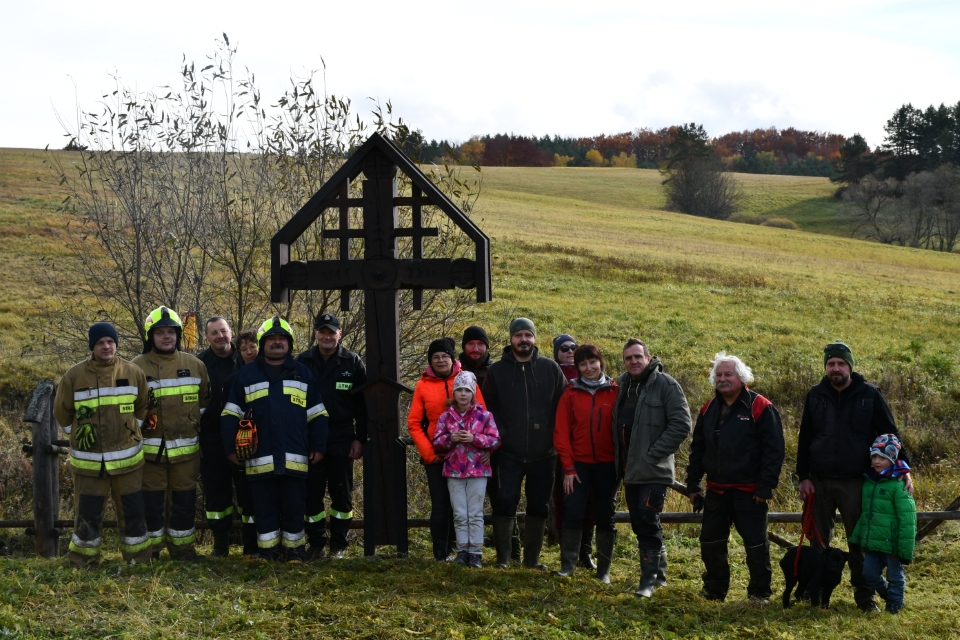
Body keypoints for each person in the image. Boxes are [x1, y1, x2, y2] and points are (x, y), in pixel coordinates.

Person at [796, 340, 913, 613]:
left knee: (859, 542)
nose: (835, 368)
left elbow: (890, 434)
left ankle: (865, 596)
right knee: (818, 541)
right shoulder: (815, 395)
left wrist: (904, 468)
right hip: (819, 480)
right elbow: (805, 437)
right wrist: (803, 476)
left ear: (850, 366)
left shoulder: (869, 394)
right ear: (825, 367)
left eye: (840, 363)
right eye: (830, 364)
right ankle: (816, 590)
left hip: (857, 481)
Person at [221, 316, 328, 562]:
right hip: (259, 458)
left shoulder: (303, 374)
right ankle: (268, 553)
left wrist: (319, 446)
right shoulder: (246, 375)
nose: (277, 342)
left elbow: (318, 414)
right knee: (264, 510)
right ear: (262, 343)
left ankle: (295, 552)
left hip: (295, 457)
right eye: (272, 339)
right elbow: (230, 414)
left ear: (290, 343)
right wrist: (230, 449)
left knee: (294, 508)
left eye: (282, 338)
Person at [686, 353, 785, 604]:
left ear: (741, 377)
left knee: (755, 546)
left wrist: (765, 487)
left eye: (728, 374)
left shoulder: (761, 406)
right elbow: (698, 449)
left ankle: (759, 594)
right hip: (716, 491)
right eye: (718, 375)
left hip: (750, 493)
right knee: (711, 543)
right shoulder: (708, 408)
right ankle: (714, 591)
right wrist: (693, 483)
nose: (723, 379)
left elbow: (774, 451)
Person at [54, 322, 152, 566]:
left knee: (133, 512)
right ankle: (83, 560)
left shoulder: (133, 372)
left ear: (116, 344)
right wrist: (77, 434)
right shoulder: (74, 376)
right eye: (100, 343)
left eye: (110, 341)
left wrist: (131, 429)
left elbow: (142, 407)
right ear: (92, 346)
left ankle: (138, 560)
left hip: (128, 462)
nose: (106, 346)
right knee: (87, 513)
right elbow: (62, 412)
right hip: (89, 463)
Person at [482, 318, 567, 569]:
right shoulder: (496, 371)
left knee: (539, 505)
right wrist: (502, 434)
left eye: (528, 335)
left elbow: (563, 406)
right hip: (507, 453)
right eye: (518, 335)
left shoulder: (551, 369)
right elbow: (488, 408)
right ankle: (504, 558)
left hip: (544, 453)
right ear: (511, 339)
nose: (523, 340)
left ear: (534, 338)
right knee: (504, 502)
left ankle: (532, 559)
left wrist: (553, 436)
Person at [612, 338, 692, 598]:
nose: (633, 361)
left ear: (648, 358)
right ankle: (659, 576)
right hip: (629, 469)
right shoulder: (621, 385)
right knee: (640, 522)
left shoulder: (666, 384)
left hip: (654, 470)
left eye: (638, 356)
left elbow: (681, 424)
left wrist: (653, 454)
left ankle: (646, 582)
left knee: (647, 518)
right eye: (628, 358)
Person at [133, 307, 210, 560]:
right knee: (152, 503)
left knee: (184, 502)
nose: (166, 337)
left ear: (178, 334)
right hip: (149, 454)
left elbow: (203, 404)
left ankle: (183, 551)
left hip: (187, 455)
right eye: (160, 332)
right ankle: (151, 552)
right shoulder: (135, 368)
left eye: (171, 332)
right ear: (150, 336)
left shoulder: (196, 366)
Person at [297, 312, 368, 560]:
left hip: (342, 437)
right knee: (311, 495)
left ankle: (338, 545)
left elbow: (363, 406)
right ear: (315, 333)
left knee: (342, 495)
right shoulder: (302, 362)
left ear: (340, 334)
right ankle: (317, 543)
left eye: (332, 332)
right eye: (323, 332)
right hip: (310, 437)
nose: (327, 337)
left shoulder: (352, 362)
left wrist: (360, 438)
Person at [408, 337, 485, 561]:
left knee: (463, 506)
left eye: (445, 356)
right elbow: (414, 423)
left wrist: (484, 448)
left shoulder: (465, 380)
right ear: (430, 361)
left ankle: (465, 549)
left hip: (467, 456)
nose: (441, 360)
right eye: (435, 357)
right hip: (436, 455)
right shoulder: (422, 385)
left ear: (452, 358)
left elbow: (483, 416)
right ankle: (441, 553)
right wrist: (429, 454)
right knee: (440, 504)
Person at [552, 344, 619, 583]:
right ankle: (567, 565)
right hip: (578, 465)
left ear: (600, 362)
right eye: (583, 364)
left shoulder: (615, 391)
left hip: (608, 465)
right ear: (577, 367)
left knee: (605, 515)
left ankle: (604, 570)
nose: (589, 368)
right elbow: (561, 433)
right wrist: (568, 467)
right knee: (573, 511)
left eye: (592, 362)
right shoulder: (570, 393)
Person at [432, 371, 501, 568]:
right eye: (459, 390)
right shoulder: (446, 417)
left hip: (478, 470)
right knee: (460, 513)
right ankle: (462, 551)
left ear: (473, 393)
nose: (463, 394)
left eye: (467, 390)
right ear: (454, 393)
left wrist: (475, 439)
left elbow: (495, 440)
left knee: (475, 513)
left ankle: (476, 553)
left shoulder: (485, 416)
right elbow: (437, 442)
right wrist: (450, 439)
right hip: (453, 470)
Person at [849, 434, 916, 615]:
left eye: (883, 458)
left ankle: (894, 607)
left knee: (895, 577)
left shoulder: (899, 484)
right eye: (874, 457)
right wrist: (856, 537)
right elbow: (866, 514)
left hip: (892, 544)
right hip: (873, 542)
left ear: (892, 459)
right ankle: (890, 596)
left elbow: (908, 519)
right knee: (869, 573)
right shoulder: (869, 481)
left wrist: (905, 549)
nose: (877, 461)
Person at [197, 316, 246, 557]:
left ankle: (252, 544)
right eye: (214, 333)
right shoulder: (199, 364)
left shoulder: (246, 358)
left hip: (245, 437)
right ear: (207, 337)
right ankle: (220, 545)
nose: (220, 336)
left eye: (223, 331)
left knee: (248, 493)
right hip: (212, 439)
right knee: (216, 494)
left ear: (231, 332)